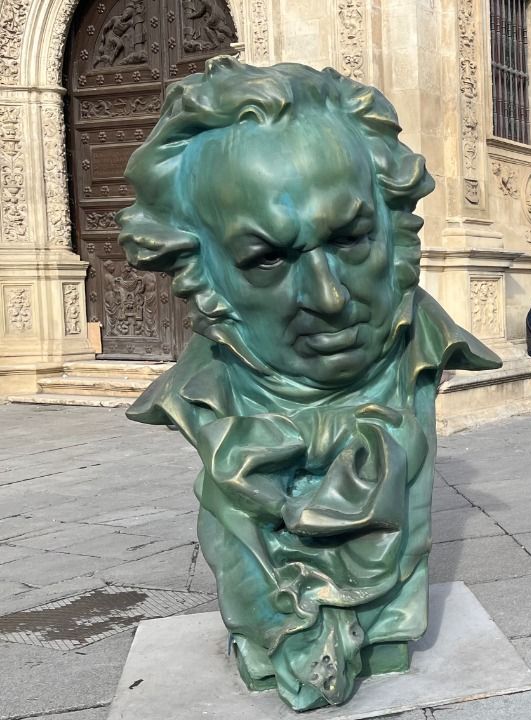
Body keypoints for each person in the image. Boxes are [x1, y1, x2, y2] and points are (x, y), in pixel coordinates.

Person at [114, 59, 503, 710]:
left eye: (350, 239)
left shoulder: (423, 352)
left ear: (395, 224)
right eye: (267, 258)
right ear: (200, 270)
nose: (327, 297)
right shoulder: (205, 399)